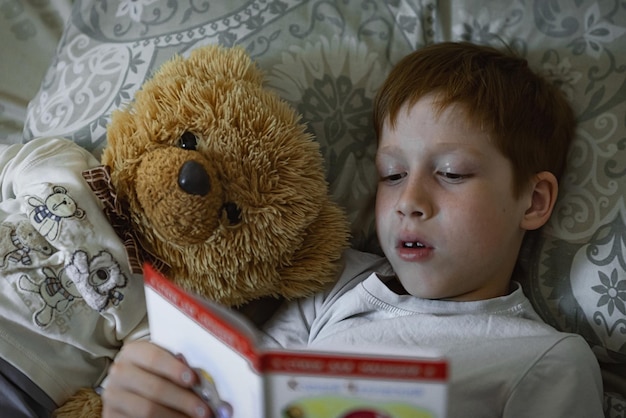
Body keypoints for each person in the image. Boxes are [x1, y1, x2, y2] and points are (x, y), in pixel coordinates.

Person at [101, 42, 604, 418]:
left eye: (450, 173)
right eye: (392, 175)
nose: (410, 202)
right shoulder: (337, 286)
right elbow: (253, 393)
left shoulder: (546, 359)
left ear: (533, 201)